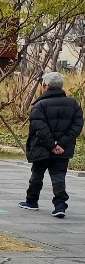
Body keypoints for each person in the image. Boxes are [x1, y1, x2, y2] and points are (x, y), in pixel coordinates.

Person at [20, 71, 84, 218]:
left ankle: (31, 201)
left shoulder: (39, 105)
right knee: (59, 177)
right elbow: (77, 126)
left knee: (37, 175)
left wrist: (51, 145)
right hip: (63, 150)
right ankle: (60, 205)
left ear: (46, 86)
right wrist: (61, 144)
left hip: (42, 147)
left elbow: (40, 128)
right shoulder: (73, 105)